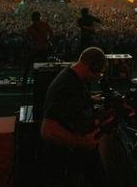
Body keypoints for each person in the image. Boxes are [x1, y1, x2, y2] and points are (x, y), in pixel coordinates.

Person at [40, 47, 109, 187]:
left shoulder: (76, 78)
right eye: (100, 72)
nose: (99, 77)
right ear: (93, 66)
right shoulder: (66, 87)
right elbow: (47, 131)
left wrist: (96, 100)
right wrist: (81, 142)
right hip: (61, 160)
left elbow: (75, 103)